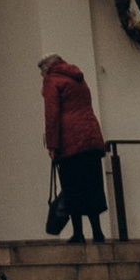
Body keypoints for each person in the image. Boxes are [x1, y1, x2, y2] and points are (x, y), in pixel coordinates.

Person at [39, 52, 108, 242]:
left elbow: (52, 115)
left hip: (70, 141)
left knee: (72, 187)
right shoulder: (77, 77)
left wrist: (52, 145)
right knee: (92, 184)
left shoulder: (52, 80)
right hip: (90, 138)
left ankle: (78, 233)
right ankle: (98, 232)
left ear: (46, 69)